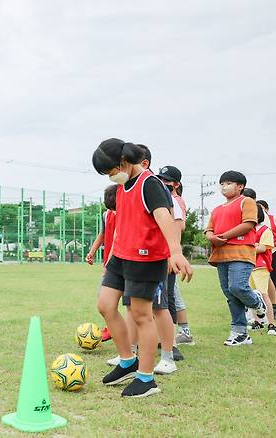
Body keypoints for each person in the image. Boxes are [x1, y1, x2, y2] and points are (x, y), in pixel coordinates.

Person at [92, 139, 193, 397]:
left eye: (111, 171)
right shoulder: (123, 185)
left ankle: (146, 379)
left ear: (124, 162)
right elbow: (124, 224)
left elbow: (164, 217)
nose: (110, 177)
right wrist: (111, 258)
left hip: (146, 260)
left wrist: (176, 251)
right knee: (105, 305)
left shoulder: (150, 183)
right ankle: (127, 361)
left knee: (141, 315)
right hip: (122, 256)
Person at [205, 171, 267, 346]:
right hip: (221, 256)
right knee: (230, 294)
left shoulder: (246, 202)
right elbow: (209, 230)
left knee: (237, 287)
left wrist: (223, 236)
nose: (224, 186)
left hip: (241, 253)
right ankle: (240, 333)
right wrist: (211, 237)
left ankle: (256, 302)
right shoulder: (217, 209)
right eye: (222, 183)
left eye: (229, 183)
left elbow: (248, 224)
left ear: (240, 187)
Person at [157, 165, 195, 346]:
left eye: (167, 180)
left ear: (176, 183)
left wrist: (174, 253)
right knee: (169, 295)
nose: (163, 182)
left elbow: (178, 227)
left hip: (169, 255)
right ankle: (175, 334)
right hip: (161, 254)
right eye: (161, 179)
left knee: (169, 297)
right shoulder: (163, 196)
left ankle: (175, 338)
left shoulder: (175, 200)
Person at [85, 184, 118, 342]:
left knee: (135, 305)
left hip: (123, 262)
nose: (113, 211)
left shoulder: (128, 213)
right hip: (110, 263)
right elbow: (103, 234)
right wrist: (92, 251)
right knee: (103, 299)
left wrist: (108, 266)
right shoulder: (106, 215)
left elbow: (118, 240)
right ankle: (111, 328)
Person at [249, 204, 276, 335]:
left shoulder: (266, 230)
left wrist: (247, 248)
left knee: (263, 294)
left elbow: (262, 248)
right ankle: (258, 321)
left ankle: (272, 324)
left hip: (261, 266)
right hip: (248, 265)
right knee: (252, 294)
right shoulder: (249, 229)